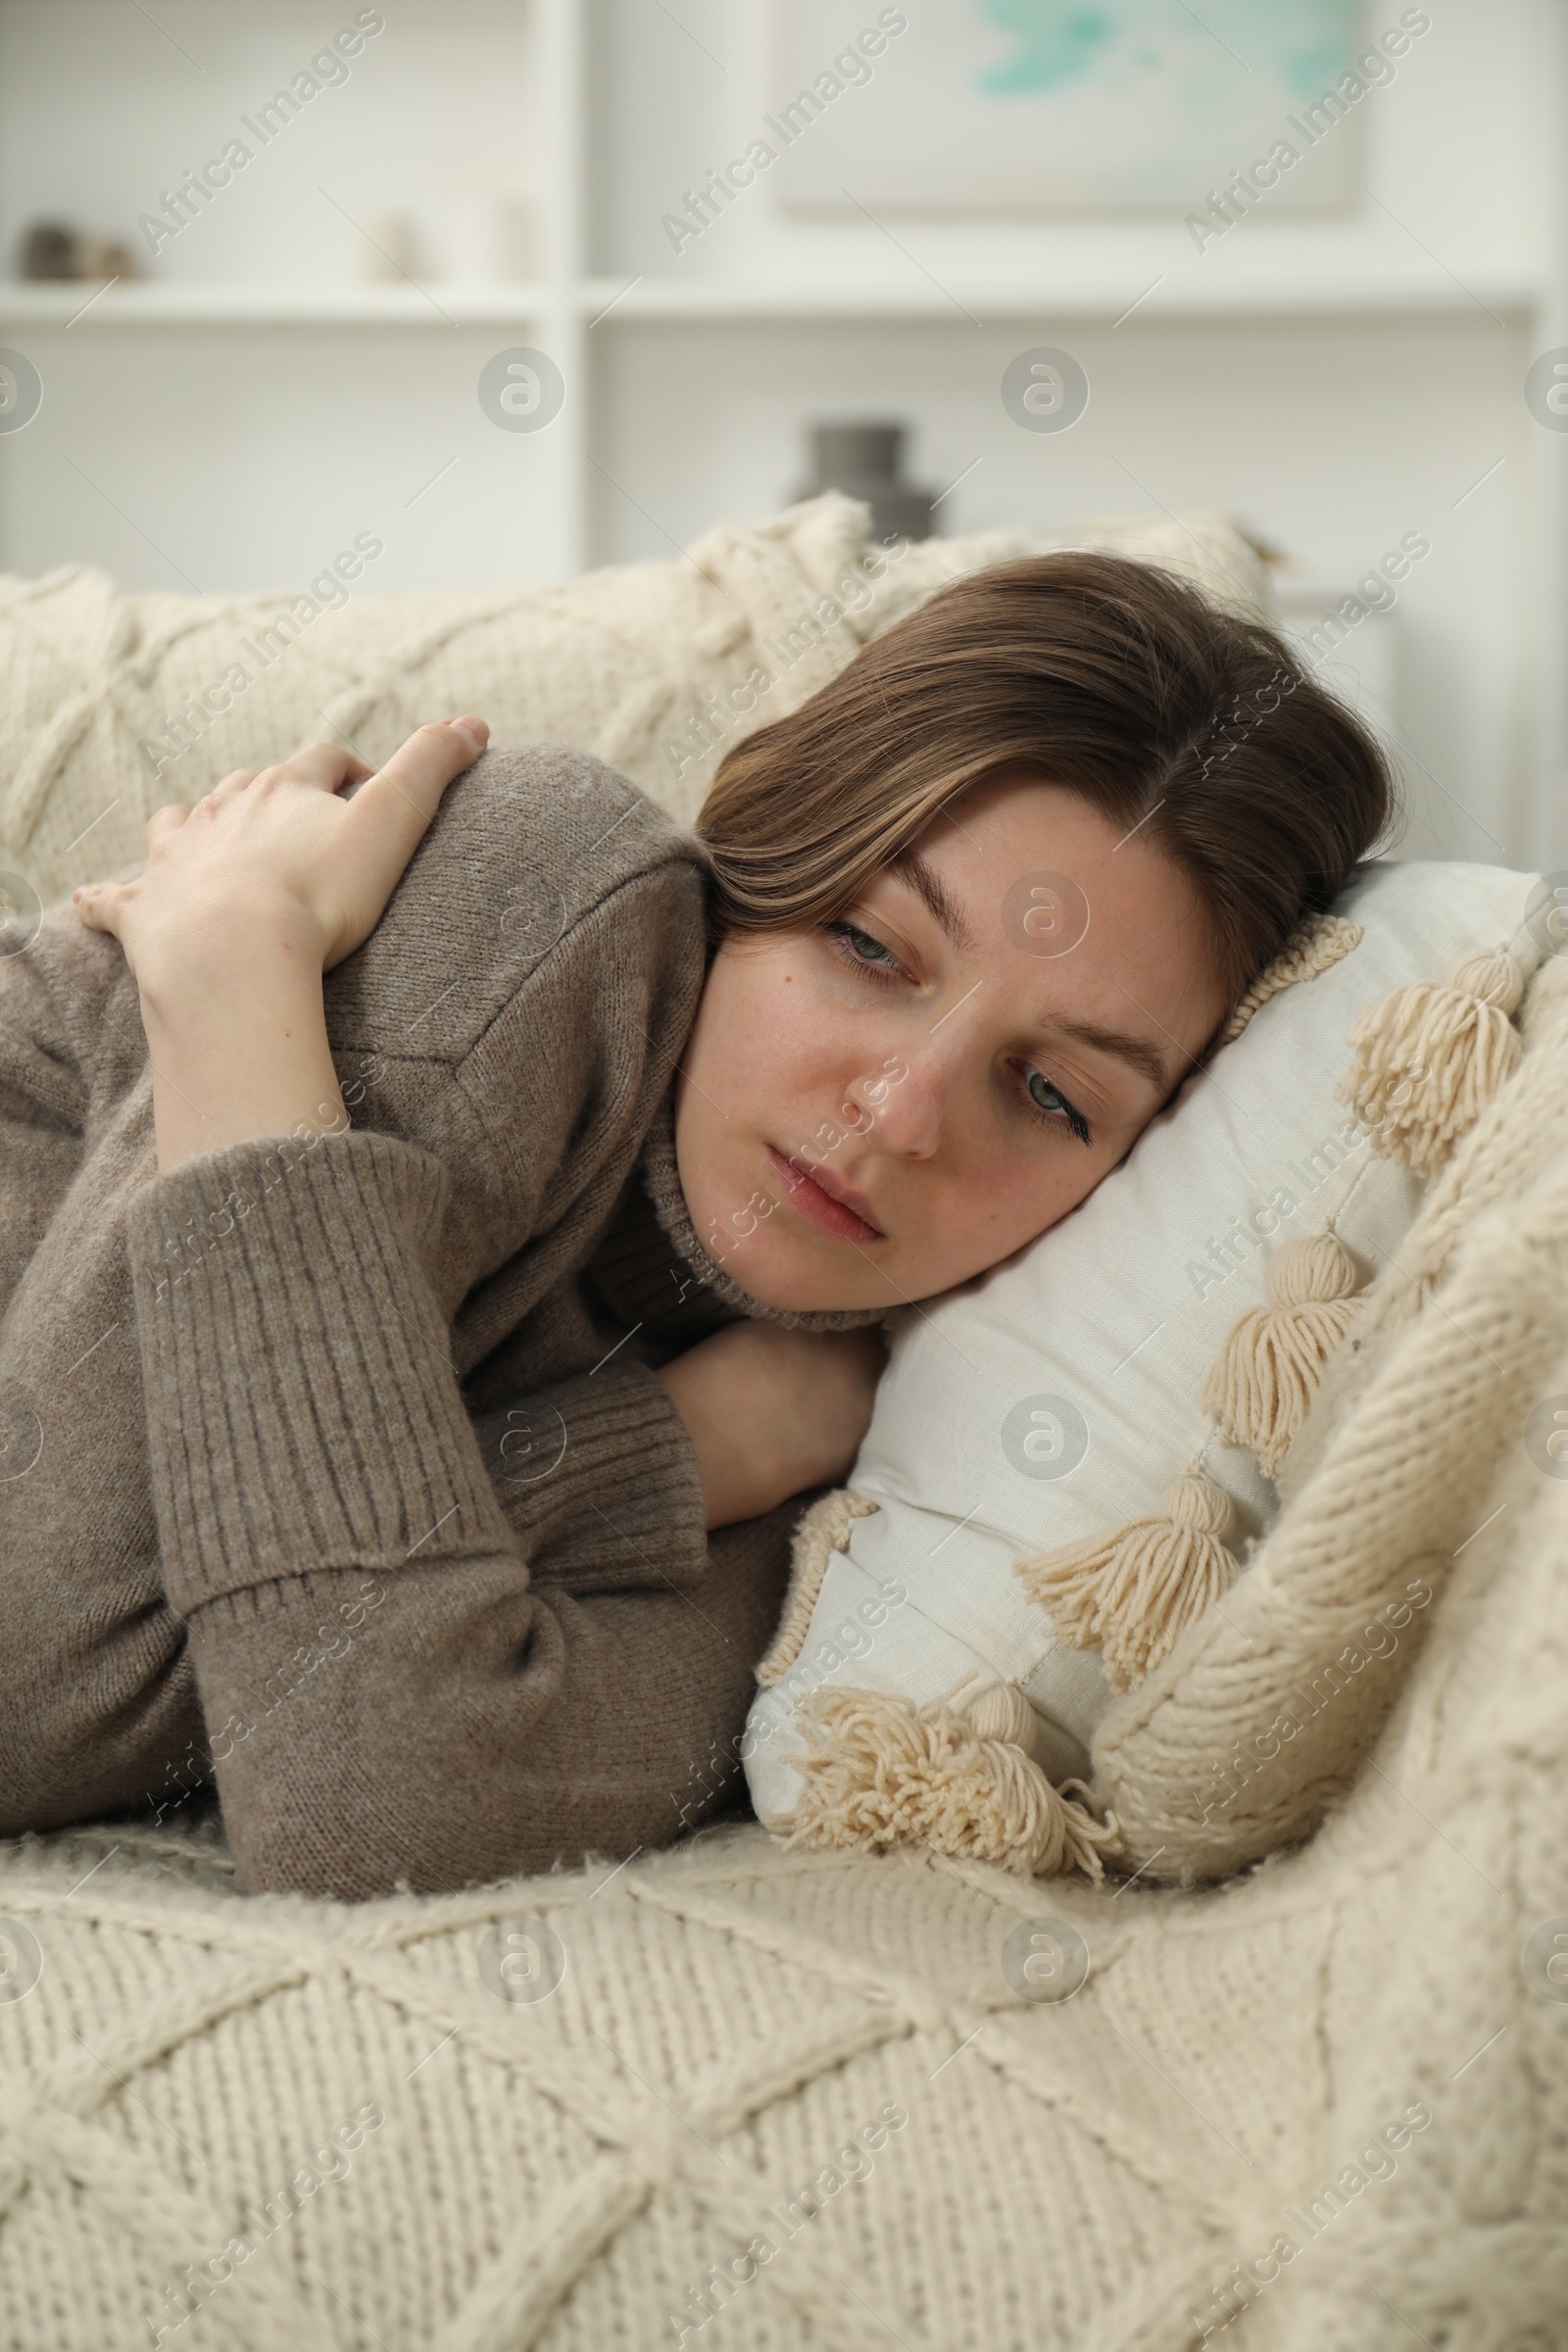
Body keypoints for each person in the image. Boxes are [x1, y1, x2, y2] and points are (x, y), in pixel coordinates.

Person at [0, 553, 1392, 1899]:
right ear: (772, 849)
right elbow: (34, 1688)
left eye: (1046, 1092)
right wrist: (236, 973)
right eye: (870, 947)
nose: (903, 1112)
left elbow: (399, 1801)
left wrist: (686, 1458)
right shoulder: (536, 900)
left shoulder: (873, 1483)